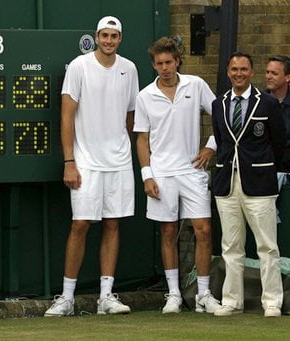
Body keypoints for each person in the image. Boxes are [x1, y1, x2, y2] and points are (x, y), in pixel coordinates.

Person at [44, 16, 138, 316]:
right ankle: (67, 298)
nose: (109, 41)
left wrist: (126, 150)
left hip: (119, 161)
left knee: (112, 224)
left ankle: (106, 297)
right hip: (85, 162)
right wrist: (69, 161)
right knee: (81, 224)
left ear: (120, 39)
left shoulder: (130, 68)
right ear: (97, 37)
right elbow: (66, 116)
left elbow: (130, 116)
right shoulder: (79, 66)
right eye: (104, 35)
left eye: (114, 36)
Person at [134, 37, 222, 314]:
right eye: (159, 64)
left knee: (204, 230)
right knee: (168, 231)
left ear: (177, 61)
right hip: (161, 173)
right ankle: (173, 294)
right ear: (154, 65)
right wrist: (147, 175)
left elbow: (221, 117)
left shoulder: (195, 85)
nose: (164, 68)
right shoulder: (145, 95)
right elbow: (141, 138)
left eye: (168, 62)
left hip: (192, 171)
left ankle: (203, 295)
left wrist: (209, 148)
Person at [211, 52, 286, 317]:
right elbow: (222, 141)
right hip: (227, 183)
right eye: (234, 69)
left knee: (267, 245)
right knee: (230, 246)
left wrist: (262, 167)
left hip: (260, 183)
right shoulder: (218, 103)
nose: (238, 73)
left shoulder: (266, 103)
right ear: (228, 72)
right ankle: (232, 301)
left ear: (251, 71)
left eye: (243, 69)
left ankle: (272, 302)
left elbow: (278, 142)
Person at [264, 55, 290, 215]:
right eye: (267, 72)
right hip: (262, 174)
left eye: (274, 73)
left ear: (287, 77)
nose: (268, 76)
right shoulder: (258, 102)